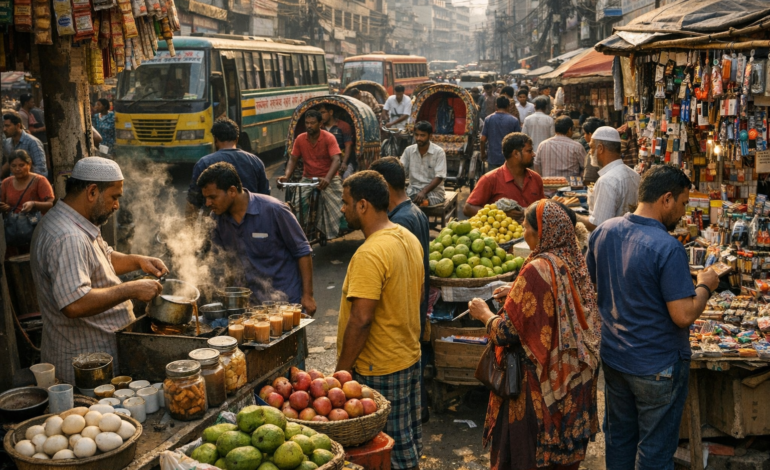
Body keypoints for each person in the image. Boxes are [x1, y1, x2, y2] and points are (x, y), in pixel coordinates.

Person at [587, 165, 720, 470]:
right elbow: (683, 315)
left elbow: (592, 289)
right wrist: (704, 286)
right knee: (655, 453)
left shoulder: (604, 231)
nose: (683, 213)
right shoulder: (668, 247)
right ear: (666, 199)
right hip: (656, 366)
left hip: (616, 357)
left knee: (620, 440)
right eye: (683, 203)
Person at [469, 199, 601, 470]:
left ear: (540, 231)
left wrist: (484, 314)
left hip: (540, 384)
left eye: (525, 225)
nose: (522, 229)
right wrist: (516, 291)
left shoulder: (537, 268)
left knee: (527, 458)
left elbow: (506, 333)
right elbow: (556, 300)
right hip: (575, 379)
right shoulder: (572, 259)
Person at [30, 157, 167, 384]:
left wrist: (138, 261)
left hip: (96, 355)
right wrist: (131, 289)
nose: (117, 205)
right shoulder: (68, 237)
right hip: (87, 365)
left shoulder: (74, 220)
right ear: (92, 191)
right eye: (114, 197)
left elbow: (99, 258)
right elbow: (75, 303)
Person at [336, 170, 423, 470]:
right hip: (408, 356)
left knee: (389, 453)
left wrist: (342, 371)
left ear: (363, 205)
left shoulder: (370, 253)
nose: (342, 209)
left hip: (379, 367)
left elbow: (361, 319)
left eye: (345, 202)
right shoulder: (408, 238)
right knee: (407, 445)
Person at [199, 162, 317, 314]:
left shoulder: (274, 210)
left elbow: (303, 252)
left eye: (212, 197)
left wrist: (308, 296)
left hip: (285, 302)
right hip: (250, 305)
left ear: (232, 191)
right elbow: (223, 261)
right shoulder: (216, 219)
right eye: (206, 198)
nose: (208, 203)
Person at [280, 110, 344, 239]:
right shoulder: (300, 139)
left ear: (320, 124)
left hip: (329, 178)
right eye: (307, 123)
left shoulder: (329, 138)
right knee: (296, 205)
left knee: (339, 207)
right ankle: (299, 232)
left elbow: (336, 160)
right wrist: (286, 176)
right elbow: (293, 159)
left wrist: (327, 178)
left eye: (312, 123)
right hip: (308, 178)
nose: (309, 126)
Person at [187, 118, 270, 217]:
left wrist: (189, 225)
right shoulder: (255, 161)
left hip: (216, 223)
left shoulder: (204, 163)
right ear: (237, 139)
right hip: (249, 220)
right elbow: (265, 197)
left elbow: (193, 202)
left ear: (215, 139)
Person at [464, 133, 544, 221]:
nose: (533, 154)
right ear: (516, 154)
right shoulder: (490, 179)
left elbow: (542, 208)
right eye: (529, 151)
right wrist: (500, 215)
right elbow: (468, 208)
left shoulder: (536, 178)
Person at [577, 126, 640, 232]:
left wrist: (574, 216)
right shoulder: (635, 175)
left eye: (591, 147)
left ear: (600, 148)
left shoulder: (607, 181)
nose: (590, 152)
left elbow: (599, 225)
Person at [0, 150, 54, 258]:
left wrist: (33, 204)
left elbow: (50, 204)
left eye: (21, 165)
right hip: (13, 232)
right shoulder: (6, 183)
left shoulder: (39, 180)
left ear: (29, 164)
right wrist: (3, 207)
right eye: (14, 166)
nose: (17, 169)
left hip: (35, 230)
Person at [399, 121, 447, 206]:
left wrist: (423, 192)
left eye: (422, 135)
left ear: (430, 136)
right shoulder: (408, 151)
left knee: (423, 203)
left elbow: (439, 177)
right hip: (413, 190)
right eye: (416, 135)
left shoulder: (439, 152)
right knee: (402, 204)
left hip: (434, 192)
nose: (418, 138)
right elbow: (401, 170)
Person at [481, 96, 521, 171]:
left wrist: (483, 153)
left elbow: (483, 140)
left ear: (496, 105)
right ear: (508, 106)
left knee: (493, 177)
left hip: (493, 157)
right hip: (509, 158)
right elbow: (518, 141)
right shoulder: (514, 120)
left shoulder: (488, 119)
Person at [2, 113, 47, 177]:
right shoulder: (7, 142)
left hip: (30, 180)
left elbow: (42, 170)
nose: (4, 129)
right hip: (13, 180)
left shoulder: (33, 142)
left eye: (7, 126)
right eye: (4, 126)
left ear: (18, 126)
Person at [318, 103, 354, 177]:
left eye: (323, 112)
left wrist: (344, 163)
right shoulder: (319, 127)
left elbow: (348, 146)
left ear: (331, 112)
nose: (321, 116)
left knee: (346, 177)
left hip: (342, 160)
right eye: (319, 113)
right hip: (325, 162)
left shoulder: (343, 126)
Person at [580, 117, 604, 185]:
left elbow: (588, 181)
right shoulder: (607, 147)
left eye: (585, 133)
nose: (584, 136)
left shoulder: (592, 154)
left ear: (590, 135)